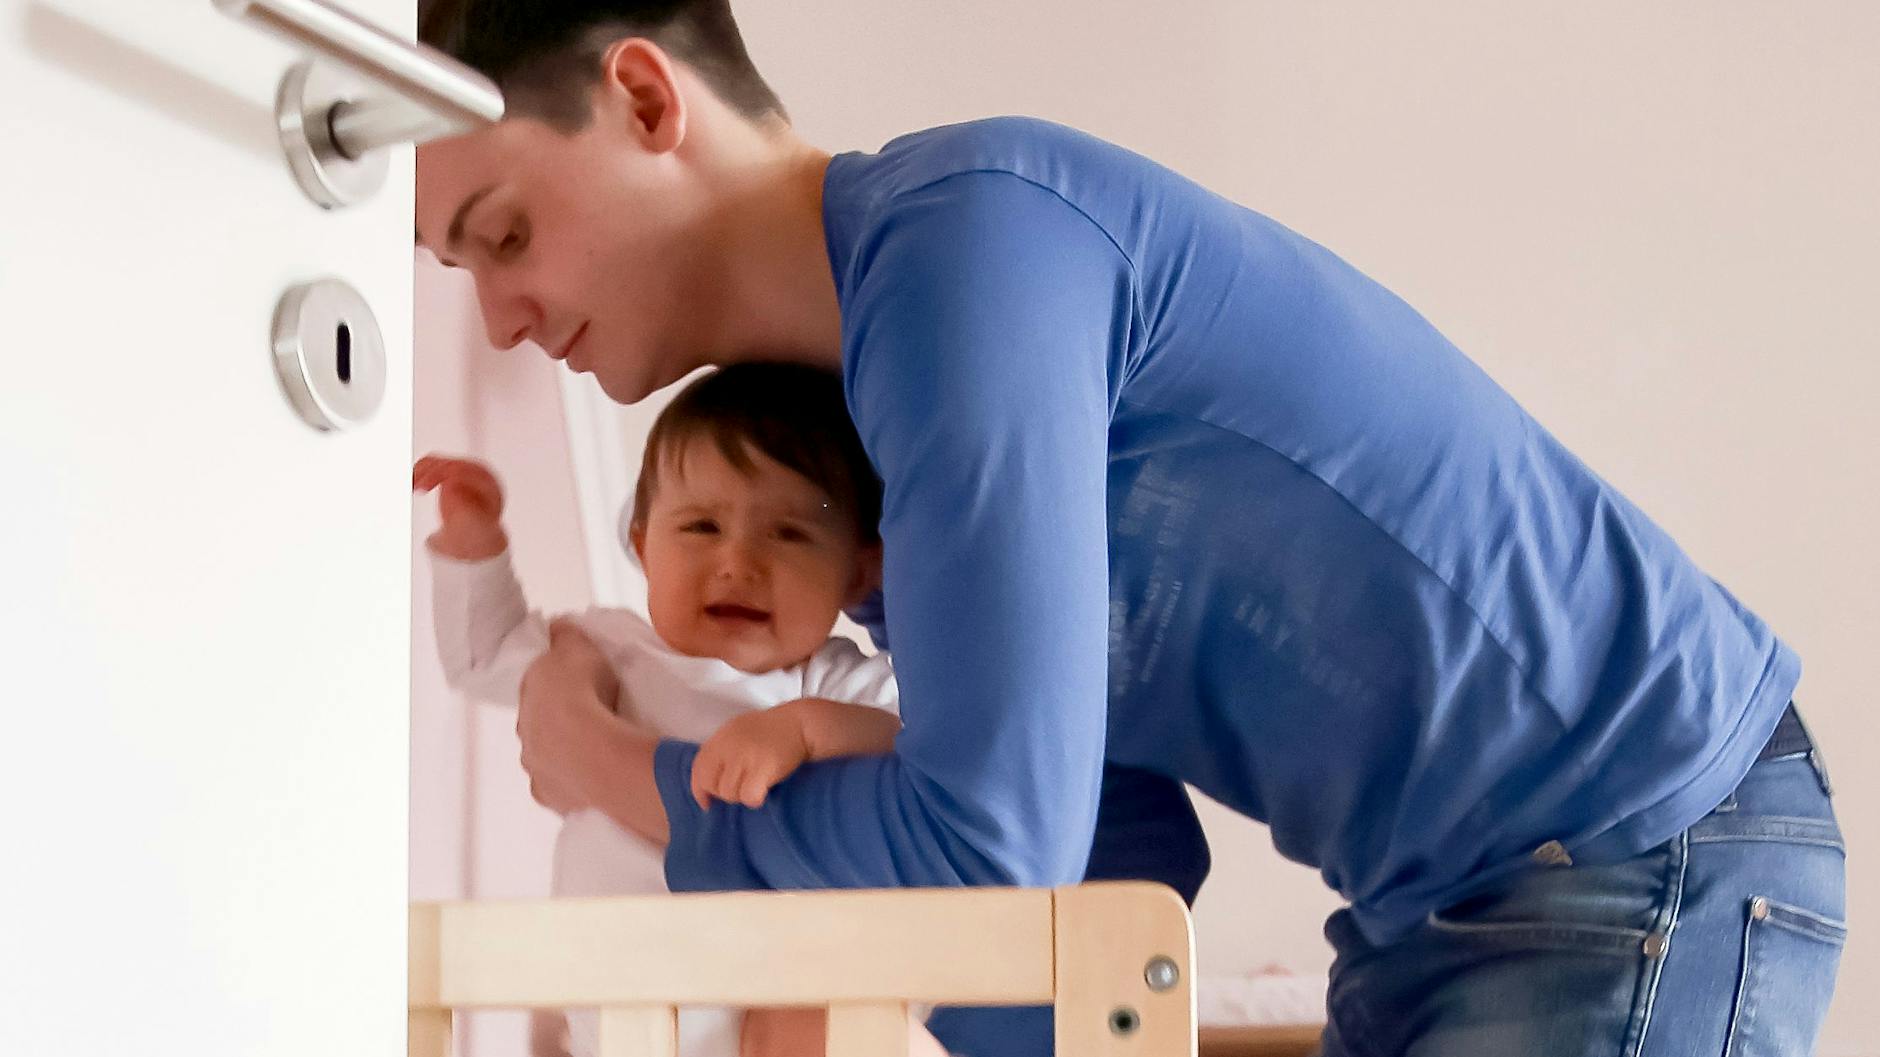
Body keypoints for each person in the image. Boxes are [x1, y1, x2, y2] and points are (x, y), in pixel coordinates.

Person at [413, 3, 1846, 1053]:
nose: (500, 316)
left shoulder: (967, 251)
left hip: (1636, 840)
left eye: (506, 234)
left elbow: (987, 841)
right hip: (1440, 908)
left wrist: (629, 772)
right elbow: (1106, 852)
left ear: (646, 103)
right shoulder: (882, 427)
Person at [414, 363, 922, 1057]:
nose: (738, 562)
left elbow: (906, 757)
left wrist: (803, 730)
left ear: (859, 571)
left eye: (789, 533)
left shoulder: (836, 686)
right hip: (619, 1019)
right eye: (702, 526)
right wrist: (475, 544)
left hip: (776, 1013)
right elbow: (486, 654)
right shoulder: (612, 651)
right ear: (643, 545)